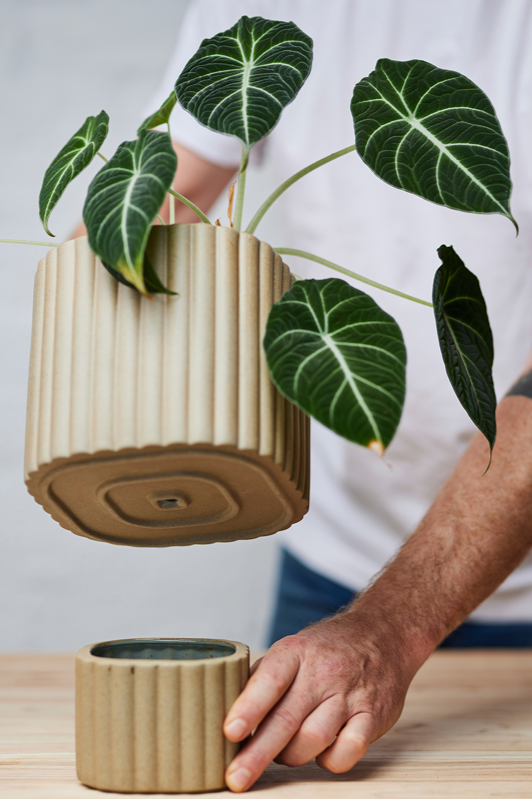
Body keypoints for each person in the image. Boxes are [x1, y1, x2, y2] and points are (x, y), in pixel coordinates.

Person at [90, 0, 532, 792]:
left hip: (456, 591)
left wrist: (389, 627)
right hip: (338, 565)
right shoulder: (259, 10)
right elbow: (158, 204)